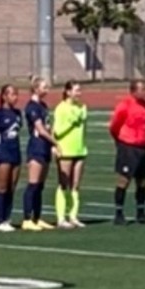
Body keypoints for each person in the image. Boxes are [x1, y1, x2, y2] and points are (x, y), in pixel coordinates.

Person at [110, 79, 145, 225]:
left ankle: (141, 212)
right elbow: (114, 126)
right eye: (143, 89)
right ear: (134, 91)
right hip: (128, 147)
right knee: (124, 179)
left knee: (142, 181)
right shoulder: (125, 105)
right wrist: (120, 141)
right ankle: (119, 212)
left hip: (142, 147)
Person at [22, 77, 57, 231]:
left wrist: (51, 144)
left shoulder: (43, 105)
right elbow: (41, 129)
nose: (47, 90)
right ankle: (27, 218)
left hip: (45, 147)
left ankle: (37, 217)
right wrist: (56, 143)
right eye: (44, 87)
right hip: (36, 146)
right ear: (35, 89)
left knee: (40, 185)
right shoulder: (32, 107)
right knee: (33, 184)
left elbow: (48, 127)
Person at [53, 81, 88, 228]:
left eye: (80, 90)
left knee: (75, 185)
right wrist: (72, 121)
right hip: (65, 150)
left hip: (79, 149)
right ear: (68, 92)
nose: (78, 93)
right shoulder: (61, 108)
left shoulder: (81, 107)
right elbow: (57, 131)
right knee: (63, 184)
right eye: (76, 90)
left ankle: (73, 216)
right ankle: (61, 218)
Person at [0, 85, 24, 232]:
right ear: (4, 96)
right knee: (2, 188)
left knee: (11, 187)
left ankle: (7, 218)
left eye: (16, 94)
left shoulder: (17, 113)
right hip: (2, 153)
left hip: (15, 152)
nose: (15, 97)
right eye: (12, 94)